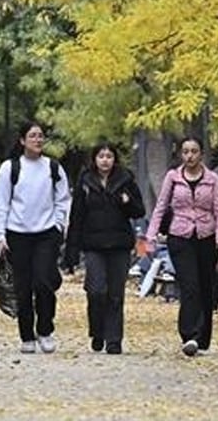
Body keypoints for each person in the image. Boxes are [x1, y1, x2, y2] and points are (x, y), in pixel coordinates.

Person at [145, 136, 218, 357]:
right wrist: (151, 236)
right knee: (189, 284)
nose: (190, 156)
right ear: (180, 155)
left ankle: (203, 338)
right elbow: (161, 207)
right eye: (185, 152)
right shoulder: (173, 177)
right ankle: (189, 334)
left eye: (194, 151)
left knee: (205, 286)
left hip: (206, 236)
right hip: (180, 236)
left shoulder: (212, 179)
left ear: (201, 154)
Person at [0, 120, 71, 354]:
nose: (37, 139)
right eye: (32, 135)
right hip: (17, 234)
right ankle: (26, 335)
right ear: (22, 140)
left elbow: (63, 198)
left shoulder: (53, 167)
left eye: (40, 136)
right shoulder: (10, 168)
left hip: (46, 233)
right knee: (23, 287)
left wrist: (59, 225)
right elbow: (1, 203)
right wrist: (0, 235)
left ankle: (45, 329)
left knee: (44, 283)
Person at [62, 142, 145, 355]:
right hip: (93, 244)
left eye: (109, 156)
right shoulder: (85, 181)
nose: (105, 160)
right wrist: (71, 251)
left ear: (114, 159)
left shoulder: (125, 180)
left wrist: (126, 202)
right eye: (101, 156)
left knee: (116, 294)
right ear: (95, 159)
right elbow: (77, 215)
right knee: (96, 290)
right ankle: (97, 331)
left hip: (119, 243)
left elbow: (139, 211)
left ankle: (114, 339)